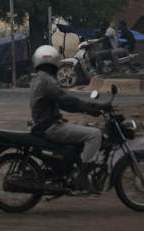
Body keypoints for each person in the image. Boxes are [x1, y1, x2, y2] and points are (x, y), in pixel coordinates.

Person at [30, 45, 108, 194]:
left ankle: (73, 167)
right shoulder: (47, 81)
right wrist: (90, 108)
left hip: (45, 124)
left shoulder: (39, 78)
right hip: (50, 127)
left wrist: (90, 106)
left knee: (82, 129)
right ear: (54, 62)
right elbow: (67, 101)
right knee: (94, 134)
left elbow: (64, 102)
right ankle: (83, 177)